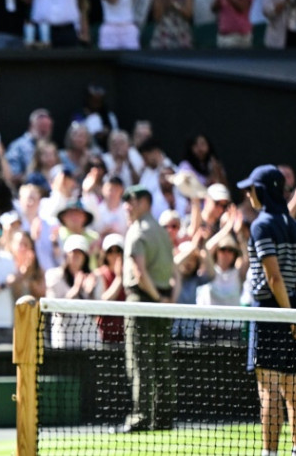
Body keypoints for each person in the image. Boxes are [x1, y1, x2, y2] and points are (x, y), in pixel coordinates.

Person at [238, 165, 296, 456]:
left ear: (262, 191)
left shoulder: (261, 225)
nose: (247, 193)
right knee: (293, 388)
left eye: (252, 188)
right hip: (293, 309)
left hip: (271, 313)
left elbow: (274, 277)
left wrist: (289, 315)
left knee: (268, 389)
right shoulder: (295, 226)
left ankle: (269, 454)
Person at [117, 185, 177, 433]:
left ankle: (140, 417)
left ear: (145, 202)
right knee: (162, 360)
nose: (126, 206)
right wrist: (166, 300)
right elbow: (174, 272)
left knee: (140, 362)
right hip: (162, 303)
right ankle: (164, 418)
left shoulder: (137, 231)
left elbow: (139, 273)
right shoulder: (163, 233)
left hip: (142, 302)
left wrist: (154, 298)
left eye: (131, 201)